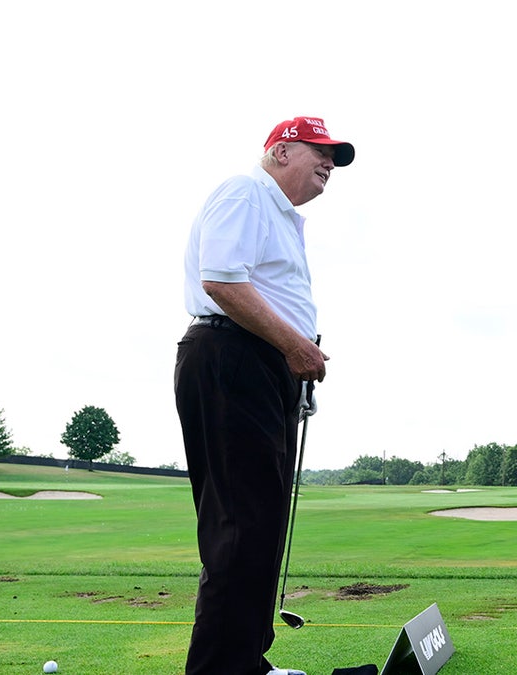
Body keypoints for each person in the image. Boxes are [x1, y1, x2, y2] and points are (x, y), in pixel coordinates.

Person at [174, 116, 354, 675]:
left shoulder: (280, 215)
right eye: (318, 151)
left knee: (260, 526)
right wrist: (295, 348)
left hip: (262, 367)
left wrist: (293, 365)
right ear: (279, 151)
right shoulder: (247, 192)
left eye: (334, 156)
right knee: (240, 526)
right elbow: (222, 282)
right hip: (232, 359)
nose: (329, 163)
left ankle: (246, 660)